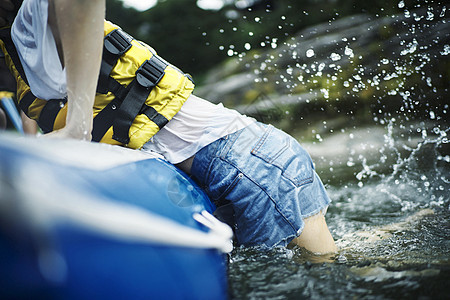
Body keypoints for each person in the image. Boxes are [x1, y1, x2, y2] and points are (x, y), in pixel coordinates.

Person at [0, 0, 337, 254]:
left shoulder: (37, 13)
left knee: (327, 277)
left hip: (254, 167)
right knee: (336, 261)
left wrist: (77, 127)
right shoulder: (15, 46)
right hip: (235, 169)